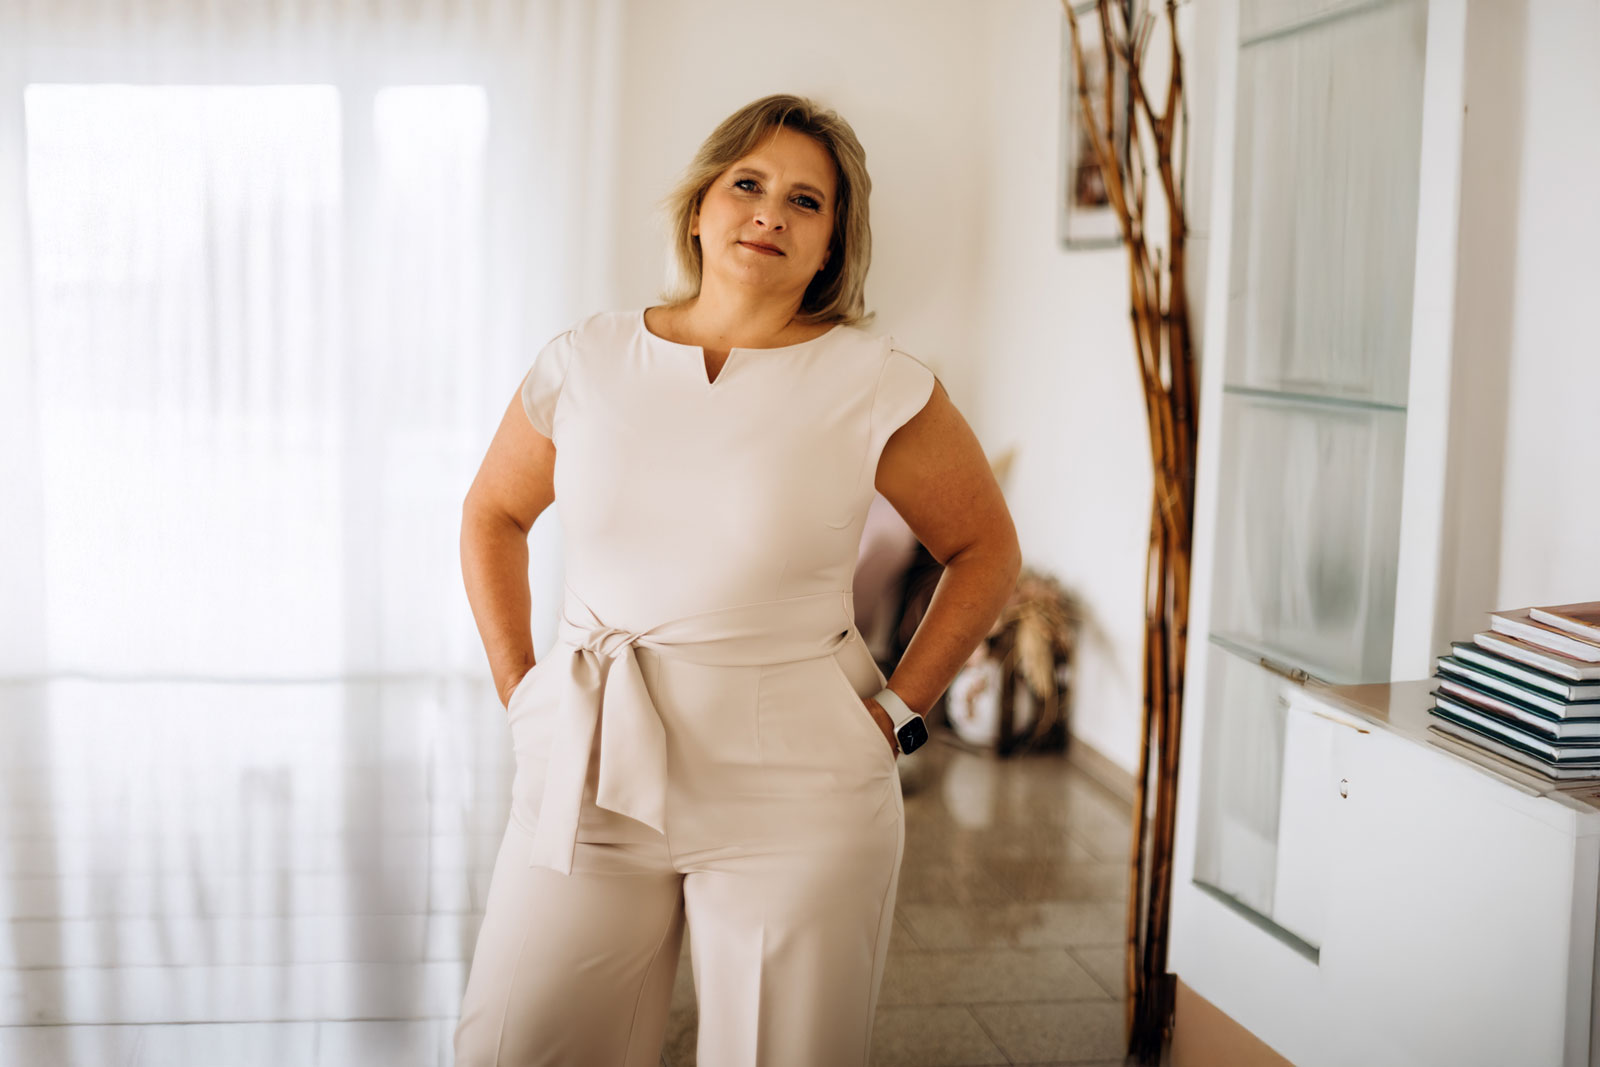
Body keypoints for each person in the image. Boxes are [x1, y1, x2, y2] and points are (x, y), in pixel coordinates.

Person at [453, 93, 1021, 1067]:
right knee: (521, 1044)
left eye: (806, 201)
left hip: (796, 790)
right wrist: (522, 693)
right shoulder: (587, 359)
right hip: (586, 763)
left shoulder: (873, 379)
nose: (769, 213)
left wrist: (898, 712)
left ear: (832, 243)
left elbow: (986, 548)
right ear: (698, 208)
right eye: (747, 184)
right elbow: (491, 514)